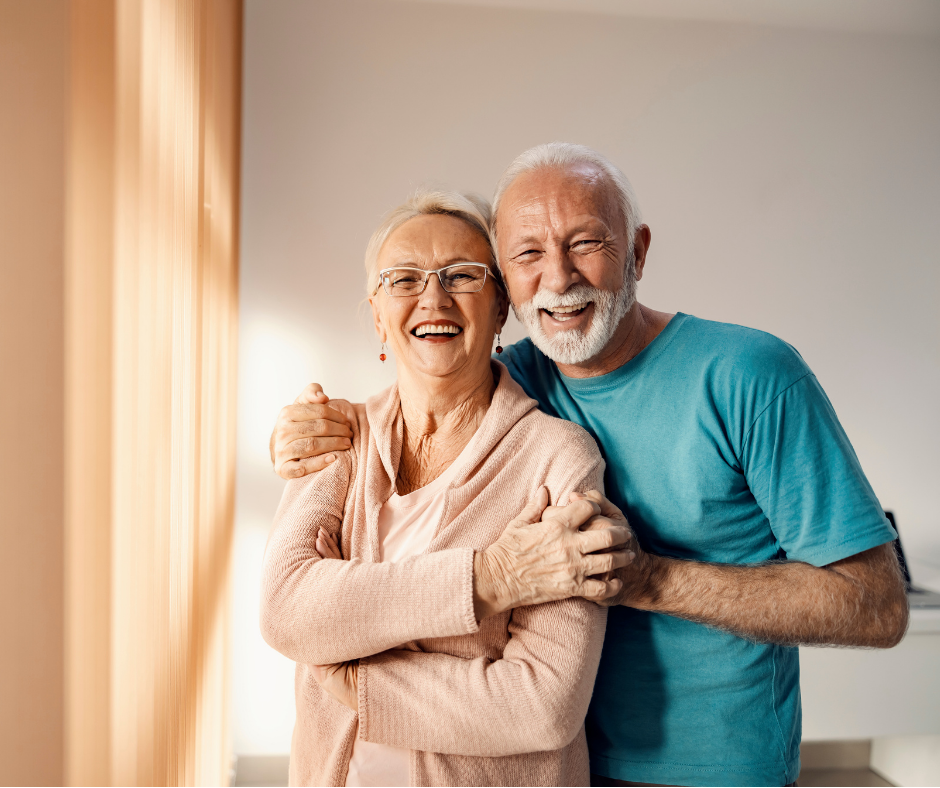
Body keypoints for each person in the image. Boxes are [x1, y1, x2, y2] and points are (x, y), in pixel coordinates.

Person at [271, 143, 910, 787]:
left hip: (712, 767)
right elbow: (430, 377)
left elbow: (876, 606)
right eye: (527, 254)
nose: (558, 278)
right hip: (554, 766)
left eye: (586, 244)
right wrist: (308, 431)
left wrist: (647, 579)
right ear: (508, 287)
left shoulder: (750, 376)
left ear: (637, 251)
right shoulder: (519, 376)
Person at [260, 188, 635, 787]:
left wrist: (357, 681)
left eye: (461, 275)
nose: (433, 298)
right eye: (403, 279)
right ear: (378, 312)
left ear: (500, 308)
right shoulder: (335, 435)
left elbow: (541, 705)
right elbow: (286, 612)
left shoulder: (557, 457)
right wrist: (492, 579)